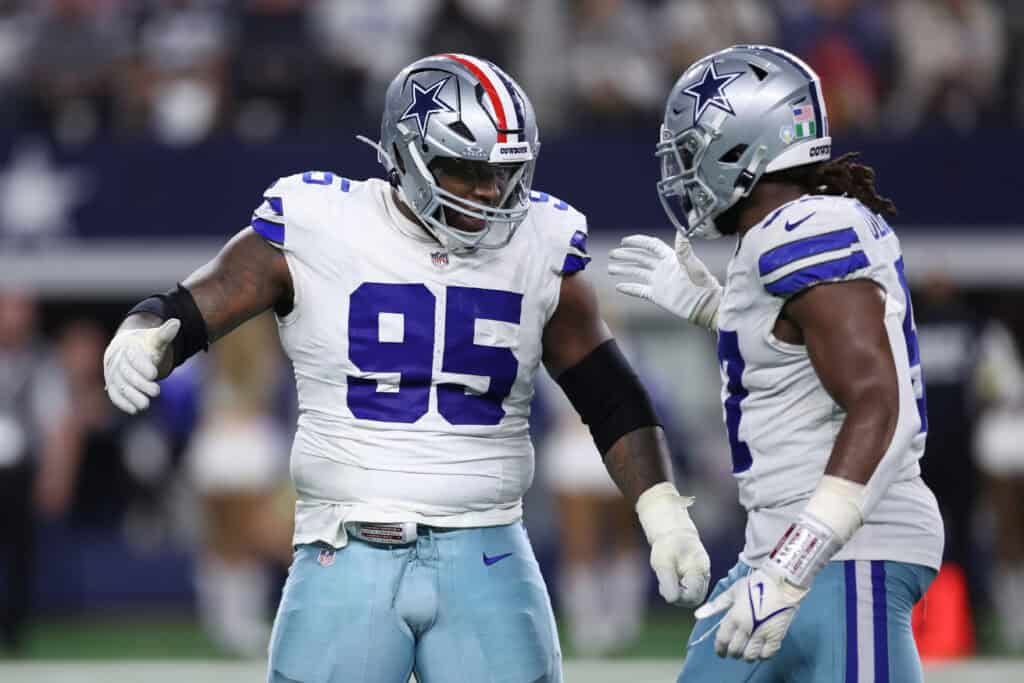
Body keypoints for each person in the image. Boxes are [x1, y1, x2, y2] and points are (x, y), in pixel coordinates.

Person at [102, 53, 711, 683]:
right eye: (468, 170)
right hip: (345, 547)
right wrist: (141, 333)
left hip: (489, 547)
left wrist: (663, 515)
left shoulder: (541, 239)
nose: (489, 192)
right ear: (406, 155)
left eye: (503, 173)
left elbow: (610, 395)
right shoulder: (319, 223)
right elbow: (190, 309)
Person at [609, 44, 943, 682]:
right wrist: (718, 310)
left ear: (742, 146)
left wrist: (795, 564)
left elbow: (881, 405)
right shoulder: (785, 231)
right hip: (781, 547)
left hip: (847, 552)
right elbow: (800, 355)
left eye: (691, 149)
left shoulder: (806, 229)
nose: (684, 170)